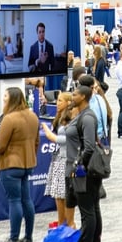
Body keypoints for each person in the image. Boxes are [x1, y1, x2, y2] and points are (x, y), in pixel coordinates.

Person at [0, 87, 39, 242]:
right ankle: (29, 236)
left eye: (5, 95)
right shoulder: (33, 116)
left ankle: (13, 238)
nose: (3, 98)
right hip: (28, 164)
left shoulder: (9, 118)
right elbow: (36, 142)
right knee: (27, 200)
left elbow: (0, 146)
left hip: (11, 165)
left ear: (11, 98)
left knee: (14, 201)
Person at [65, 85, 102, 242]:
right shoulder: (82, 115)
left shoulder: (87, 118)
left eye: (75, 94)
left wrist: (78, 166)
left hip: (84, 173)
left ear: (83, 97)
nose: (72, 97)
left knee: (88, 211)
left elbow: (89, 147)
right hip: (84, 170)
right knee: (92, 208)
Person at [42, 91, 76, 227]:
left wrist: (50, 135)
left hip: (66, 159)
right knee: (58, 194)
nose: (57, 103)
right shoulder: (59, 117)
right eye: (57, 100)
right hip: (57, 158)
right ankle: (62, 222)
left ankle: (69, 224)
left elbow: (69, 139)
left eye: (61, 100)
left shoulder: (71, 118)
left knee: (64, 194)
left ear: (68, 102)